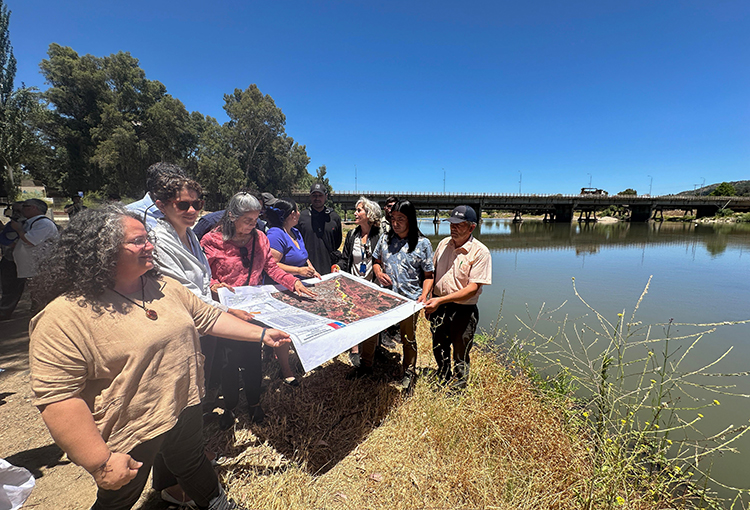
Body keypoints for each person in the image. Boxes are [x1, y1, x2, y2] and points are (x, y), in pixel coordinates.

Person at [28, 205, 289, 510]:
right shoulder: (64, 317)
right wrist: (100, 462)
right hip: (132, 427)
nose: (150, 245)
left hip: (185, 405)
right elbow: (58, 398)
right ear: (102, 250)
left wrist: (261, 335)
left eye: (148, 238)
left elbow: (207, 317)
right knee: (120, 498)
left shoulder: (165, 287)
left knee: (192, 463)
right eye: (138, 241)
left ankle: (219, 506)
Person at [149, 172, 254, 505]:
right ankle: (188, 479)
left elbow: (201, 281)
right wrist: (221, 309)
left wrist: (214, 294)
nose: (193, 209)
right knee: (181, 405)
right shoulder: (158, 240)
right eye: (183, 204)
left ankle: (169, 483)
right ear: (161, 204)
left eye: (198, 203)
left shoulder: (190, 236)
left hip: (200, 325)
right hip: (179, 329)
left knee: (193, 398)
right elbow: (181, 291)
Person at [201, 192, 316, 428]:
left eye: (256, 220)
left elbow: (271, 268)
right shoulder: (211, 241)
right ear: (232, 217)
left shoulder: (260, 239)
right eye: (248, 221)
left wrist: (292, 282)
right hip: (226, 312)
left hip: (253, 311)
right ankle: (230, 407)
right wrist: (214, 286)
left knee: (253, 359)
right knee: (228, 363)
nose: (254, 225)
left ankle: (254, 403)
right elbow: (203, 278)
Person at [424, 206, 492, 389]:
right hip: (438, 304)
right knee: (439, 345)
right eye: (451, 224)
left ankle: (458, 387)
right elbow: (433, 273)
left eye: (459, 225)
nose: (453, 228)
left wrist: (439, 300)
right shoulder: (443, 244)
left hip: (463, 309)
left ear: (471, 228)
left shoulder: (480, 252)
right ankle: (443, 375)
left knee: (460, 351)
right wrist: (430, 299)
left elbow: (472, 288)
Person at [372, 199, 434, 392]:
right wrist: (378, 273)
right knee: (372, 330)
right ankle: (366, 364)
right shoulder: (385, 239)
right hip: (386, 297)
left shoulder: (423, 244)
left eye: (401, 219)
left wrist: (424, 296)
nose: (395, 223)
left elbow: (428, 275)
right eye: (393, 218)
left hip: (410, 300)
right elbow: (376, 260)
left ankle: (408, 371)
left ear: (411, 220)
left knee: (408, 338)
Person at [332, 196, 383, 376]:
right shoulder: (353, 234)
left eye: (359, 210)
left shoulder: (381, 236)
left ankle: (367, 363)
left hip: (373, 288)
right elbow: (345, 259)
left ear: (369, 214)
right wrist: (339, 269)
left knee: (370, 325)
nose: (355, 213)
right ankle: (354, 351)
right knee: (352, 319)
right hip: (353, 287)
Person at [7, 199, 58, 317]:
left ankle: (42, 314)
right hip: (31, 265)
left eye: (25, 206)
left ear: (35, 208)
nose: (22, 209)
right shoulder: (29, 222)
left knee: (39, 290)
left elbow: (31, 240)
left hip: (39, 265)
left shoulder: (44, 223)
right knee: (34, 291)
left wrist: (19, 230)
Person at [266, 199, 321, 281]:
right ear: (293, 214)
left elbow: (304, 257)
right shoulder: (275, 235)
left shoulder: (295, 232)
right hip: (282, 285)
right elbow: (272, 264)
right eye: (297, 210)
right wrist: (298, 271)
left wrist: (313, 271)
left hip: (301, 283)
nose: (299, 213)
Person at [295, 182, 341, 275]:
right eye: (314, 195)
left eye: (320, 195)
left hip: (329, 268)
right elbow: (296, 241)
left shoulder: (334, 217)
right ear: (310, 196)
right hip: (306, 268)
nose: (317, 198)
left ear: (326, 196)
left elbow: (337, 242)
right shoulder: (301, 217)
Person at [126, 162, 186, 230]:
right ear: (153, 187)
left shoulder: (183, 209)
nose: (174, 192)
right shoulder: (128, 215)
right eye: (167, 188)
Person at [0, 202, 25, 320]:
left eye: (19, 210)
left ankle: (4, 311)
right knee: (8, 286)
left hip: (21, 261)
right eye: (14, 210)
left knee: (14, 286)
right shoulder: (11, 225)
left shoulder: (29, 224)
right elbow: (4, 238)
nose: (15, 213)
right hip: (9, 258)